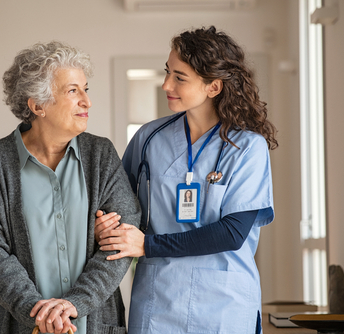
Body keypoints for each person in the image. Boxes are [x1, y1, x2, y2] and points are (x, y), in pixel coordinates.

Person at [95, 26, 277, 333]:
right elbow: (118, 205)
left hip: (224, 305)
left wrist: (147, 245)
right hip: (158, 300)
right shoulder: (148, 139)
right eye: (168, 72)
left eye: (180, 77)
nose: (166, 84)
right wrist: (107, 224)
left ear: (213, 87)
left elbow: (232, 233)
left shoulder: (247, 148)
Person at [0, 41, 140, 334]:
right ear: (37, 105)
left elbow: (122, 240)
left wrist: (75, 304)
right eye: (73, 91)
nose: (87, 101)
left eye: (86, 89)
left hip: (93, 324)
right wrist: (39, 314)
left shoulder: (101, 155)